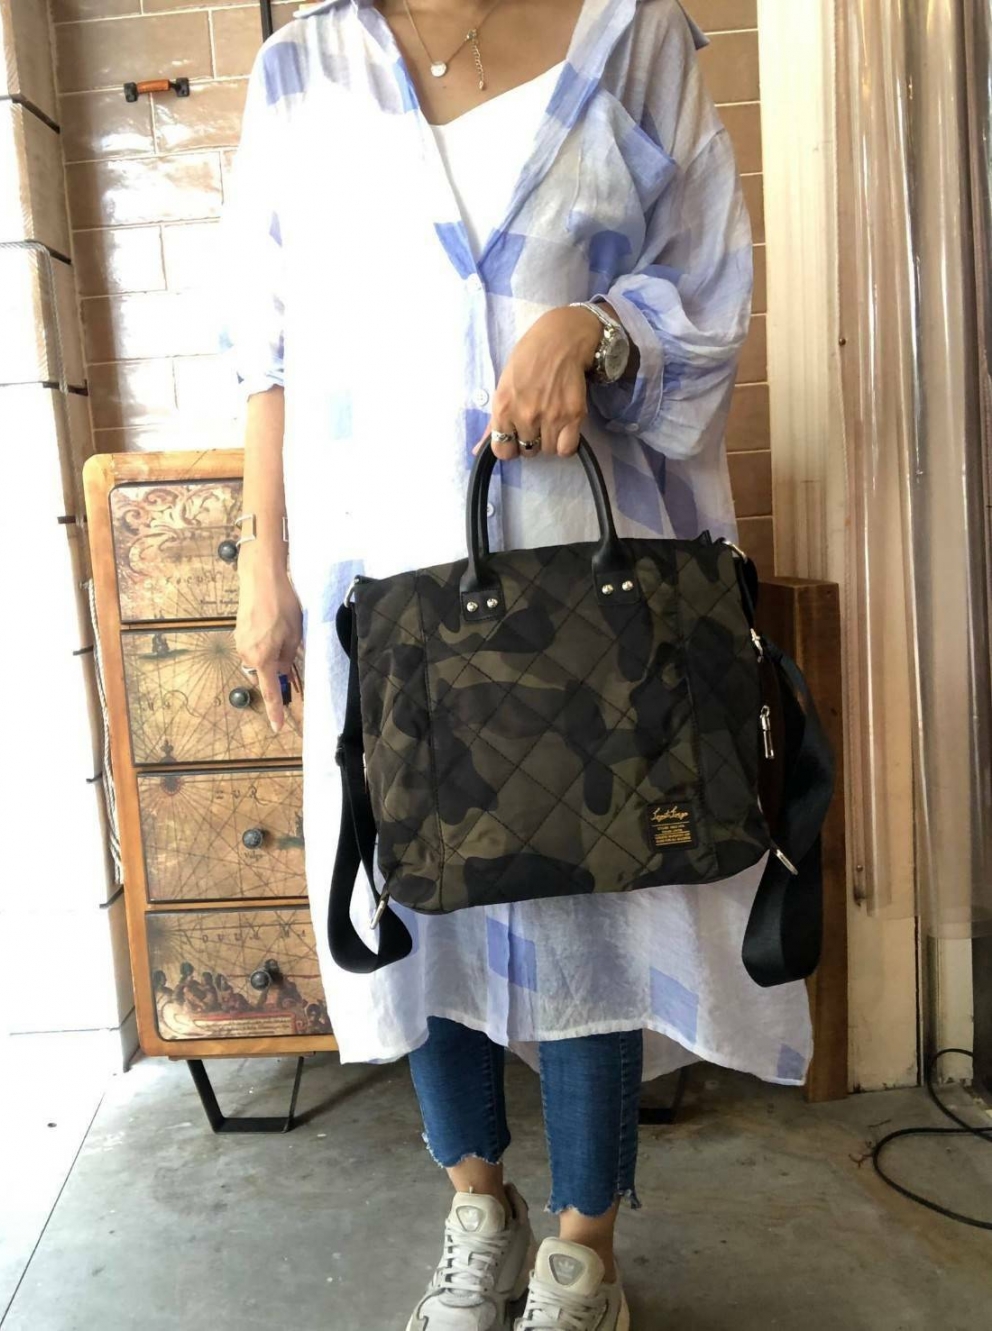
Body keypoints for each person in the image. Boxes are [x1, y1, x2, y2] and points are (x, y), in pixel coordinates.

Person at [223, 1, 814, 1327]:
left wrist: (598, 327)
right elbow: (265, 342)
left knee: (592, 888)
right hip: (382, 576)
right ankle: (476, 1211)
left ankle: (583, 1255)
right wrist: (262, 562)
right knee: (418, 889)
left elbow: (708, 288)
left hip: (585, 582)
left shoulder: (632, 35)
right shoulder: (302, 68)